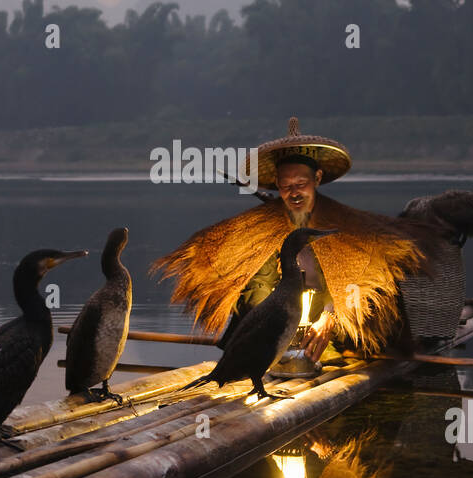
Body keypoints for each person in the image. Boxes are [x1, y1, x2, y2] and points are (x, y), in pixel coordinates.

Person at [152, 118, 427, 363]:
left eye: (301, 183)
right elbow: (254, 288)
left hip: (336, 337)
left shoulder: (343, 228)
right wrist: (278, 316)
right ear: (277, 186)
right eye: (286, 186)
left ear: (317, 178)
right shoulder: (261, 230)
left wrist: (331, 315)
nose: (294, 193)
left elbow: (360, 283)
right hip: (273, 335)